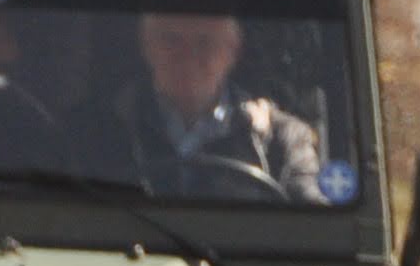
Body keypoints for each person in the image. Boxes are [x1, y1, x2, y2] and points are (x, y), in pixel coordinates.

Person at [85, 12, 327, 203]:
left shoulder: (282, 138)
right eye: (171, 40)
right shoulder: (98, 130)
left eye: (205, 43)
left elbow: (314, 223)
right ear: (147, 47)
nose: (188, 56)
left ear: (232, 52)